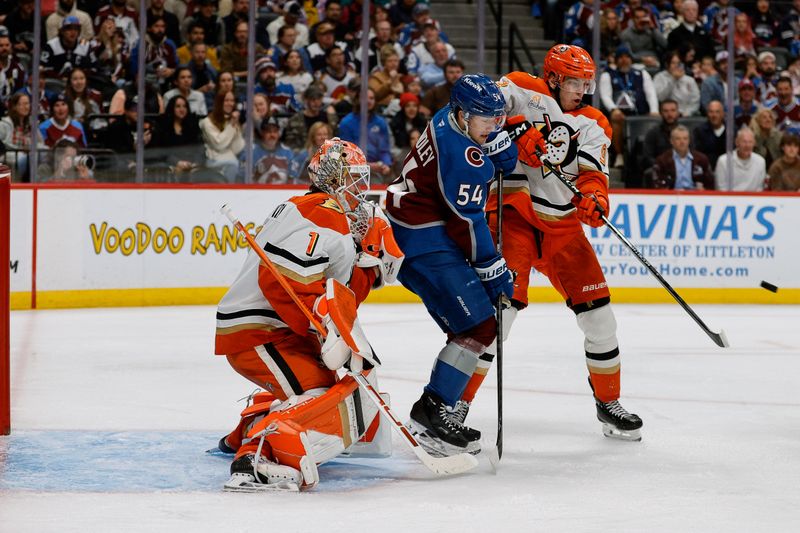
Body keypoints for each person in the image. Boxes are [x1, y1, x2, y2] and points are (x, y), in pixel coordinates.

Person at [215, 138, 400, 491]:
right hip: (259, 332)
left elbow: (336, 293)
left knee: (334, 391)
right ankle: (257, 456)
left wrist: (369, 267)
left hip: (271, 329)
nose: (361, 190)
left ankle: (245, 431)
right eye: (354, 179)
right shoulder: (322, 214)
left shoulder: (323, 213)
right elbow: (279, 280)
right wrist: (323, 329)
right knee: (321, 397)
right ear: (332, 178)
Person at [488, 44, 643, 442]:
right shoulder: (522, 88)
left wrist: (596, 198)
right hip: (516, 216)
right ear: (555, 78)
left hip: (563, 229)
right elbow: (480, 105)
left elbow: (593, 174)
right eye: (575, 81)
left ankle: (608, 402)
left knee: (601, 320)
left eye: (587, 83)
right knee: (497, 319)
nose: (582, 90)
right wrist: (514, 127)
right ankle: (453, 405)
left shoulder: (594, 122)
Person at [385, 74, 516, 456]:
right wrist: (494, 271)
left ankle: (435, 410)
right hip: (420, 239)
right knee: (478, 324)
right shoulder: (461, 156)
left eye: (498, 118)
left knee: (473, 325)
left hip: (416, 225)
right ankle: (432, 415)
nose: (494, 125)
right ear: (463, 114)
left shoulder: (449, 116)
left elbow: (484, 146)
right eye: (487, 119)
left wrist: (494, 141)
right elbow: (469, 221)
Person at [338, 88, 393, 183]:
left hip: (376, 172)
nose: (368, 101)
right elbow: (346, 154)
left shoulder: (380, 122)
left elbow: (384, 150)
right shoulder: (346, 123)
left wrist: (386, 164)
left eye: (371, 98)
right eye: (365, 98)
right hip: (352, 172)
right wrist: (367, 166)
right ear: (357, 100)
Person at [199, 90, 244, 182]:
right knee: (232, 164)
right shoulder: (207, 122)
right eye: (226, 100)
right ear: (219, 102)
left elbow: (237, 149)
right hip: (214, 160)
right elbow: (219, 144)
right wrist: (231, 125)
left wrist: (235, 126)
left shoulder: (231, 120)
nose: (230, 103)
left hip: (231, 160)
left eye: (232, 100)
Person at [651, 125, 714, 190]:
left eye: (685, 138)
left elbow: (710, 183)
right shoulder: (662, 161)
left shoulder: (702, 159)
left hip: (696, 196)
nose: (682, 142)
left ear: (689, 140)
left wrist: (704, 190)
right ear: (671, 141)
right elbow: (657, 184)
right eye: (678, 139)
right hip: (672, 197)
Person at [154, 94, 203, 177]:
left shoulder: (193, 125)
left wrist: (195, 163)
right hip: (170, 163)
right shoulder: (163, 126)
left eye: (184, 106)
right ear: (172, 108)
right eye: (178, 106)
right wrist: (177, 162)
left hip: (190, 163)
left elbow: (199, 147)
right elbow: (161, 151)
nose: (182, 109)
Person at [0, 92, 43, 181]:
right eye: (22, 104)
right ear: (14, 107)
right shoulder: (4, 124)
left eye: (27, 104)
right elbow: (2, 144)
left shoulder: (31, 124)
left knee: (41, 155)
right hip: (10, 155)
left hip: (29, 154)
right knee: (24, 158)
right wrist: (22, 150)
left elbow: (40, 143)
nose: (26, 107)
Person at [240, 116, 295, 184]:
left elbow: (293, 177)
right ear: (262, 133)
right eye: (268, 131)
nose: (272, 135)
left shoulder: (287, 152)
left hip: (283, 192)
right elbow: (242, 178)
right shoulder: (251, 152)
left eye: (275, 131)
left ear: (279, 133)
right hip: (258, 192)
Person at [283, 85, 338, 150]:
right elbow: (290, 144)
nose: (316, 102)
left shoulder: (328, 117)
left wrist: (332, 117)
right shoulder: (295, 120)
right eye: (313, 99)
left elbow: (335, 137)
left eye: (319, 99)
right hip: (302, 156)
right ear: (306, 100)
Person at [715, 126, 767, 191]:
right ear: (737, 142)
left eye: (750, 142)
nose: (747, 145)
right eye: (744, 142)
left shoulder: (761, 162)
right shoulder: (723, 161)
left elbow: (759, 188)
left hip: (753, 200)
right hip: (729, 200)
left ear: (754, 143)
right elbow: (721, 188)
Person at [652, 51, 701, 117]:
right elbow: (660, 98)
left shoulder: (689, 80)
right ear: (667, 64)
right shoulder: (659, 77)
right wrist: (673, 79)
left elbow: (695, 101)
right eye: (673, 63)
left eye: (678, 63)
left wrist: (687, 113)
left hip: (687, 115)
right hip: (667, 115)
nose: (676, 66)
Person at [692, 99, 727, 169]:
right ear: (707, 114)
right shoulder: (699, 131)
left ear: (723, 114)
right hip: (706, 169)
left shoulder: (731, 131)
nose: (714, 115)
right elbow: (697, 154)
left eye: (717, 112)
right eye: (711, 112)